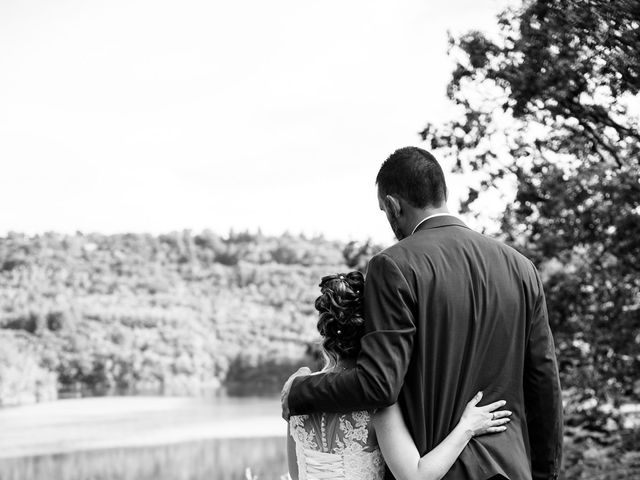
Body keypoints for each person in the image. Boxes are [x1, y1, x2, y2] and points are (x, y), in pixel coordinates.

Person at [282, 147, 563, 480]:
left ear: (393, 205)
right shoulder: (522, 268)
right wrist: (546, 475)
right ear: (443, 193)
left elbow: (379, 384)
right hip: (511, 470)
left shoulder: (394, 266)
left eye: (384, 210)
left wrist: (298, 392)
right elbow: (544, 386)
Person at [287, 272, 513, 480]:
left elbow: (295, 474)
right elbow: (415, 476)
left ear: (326, 335)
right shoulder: (377, 403)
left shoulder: (295, 393)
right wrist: (467, 427)